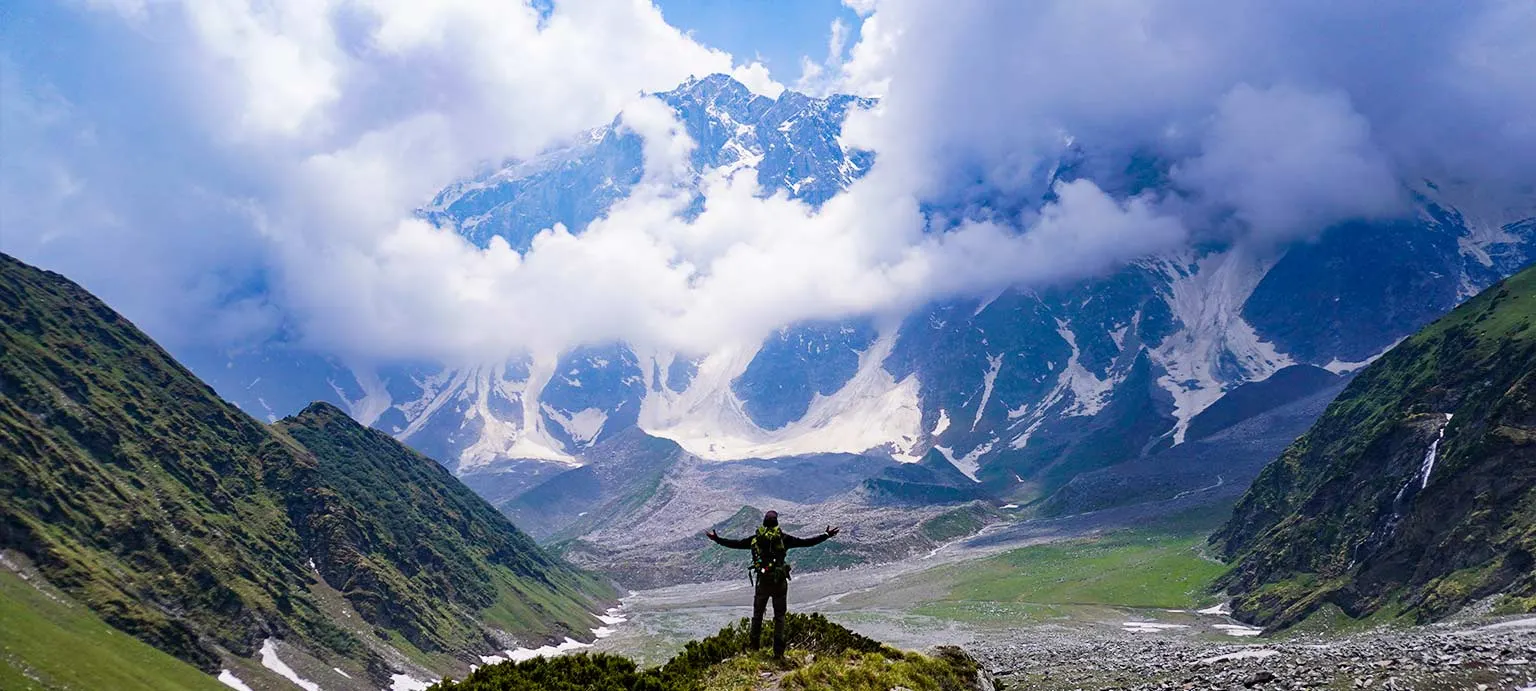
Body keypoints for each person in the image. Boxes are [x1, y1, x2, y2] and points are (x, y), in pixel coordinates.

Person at [705, 510, 840, 658]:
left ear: (763, 523)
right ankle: (778, 653)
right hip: (779, 584)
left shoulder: (755, 539)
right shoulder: (784, 539)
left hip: (762, 583)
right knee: (779, 618)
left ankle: (754, 650)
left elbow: (735, 544)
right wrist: (826, 535)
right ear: (777, 523)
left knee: (757, 616)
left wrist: (717, 539)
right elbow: (807, 542)